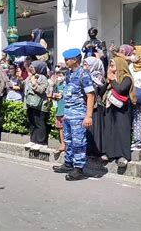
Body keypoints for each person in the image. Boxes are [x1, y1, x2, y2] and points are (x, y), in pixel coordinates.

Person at [53, 48, 95, 181]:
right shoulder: (69, 74)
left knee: (78, 142)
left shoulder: (84, 74)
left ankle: (79, 169)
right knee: (68, 140)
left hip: (78, 113)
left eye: (67, 60)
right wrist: (60, 96)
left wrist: (88, 116)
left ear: (75, 60)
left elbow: (91, 95)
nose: (65, 62)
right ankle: (68, 163)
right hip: (68, 112)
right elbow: (69, 92)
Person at [100, 57, 136, 167]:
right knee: (111, 130)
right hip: (111, 107)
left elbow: (121, 89)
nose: (110, 68)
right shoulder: (111, 78)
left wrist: (113, 80)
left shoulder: (126, 78)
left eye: (112, 65)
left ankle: (123, 156)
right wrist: (107, 82)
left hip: (123, 109)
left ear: (120, 66)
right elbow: (101, 92)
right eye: (110, 65)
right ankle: (111, 153)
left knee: (122, 130)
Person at [24, 60, 50, 150]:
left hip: (40, 105)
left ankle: (41, 142)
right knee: (32, 122)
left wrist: (34, 83)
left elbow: (42, 90)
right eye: (30, 67)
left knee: (39, 122)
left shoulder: (43, 78)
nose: (31, 68)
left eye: (33, 67)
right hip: (30, 104)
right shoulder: (30, 77)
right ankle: (33, 140)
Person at [83, 56, 106, 156]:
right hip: (87, 105)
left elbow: (96, 90)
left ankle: (96, 150)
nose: (84, 67)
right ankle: (88, 149)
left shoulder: (98, 77)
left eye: (86, 65)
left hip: (96, 106)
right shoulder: (85, 76)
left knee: (95, 128)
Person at [50, 68, 66, 154]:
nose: (58, 77)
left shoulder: (67, 85)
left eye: (60, 75)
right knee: (60, 127)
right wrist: (54, 96)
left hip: (66, 110)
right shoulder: (57, 85)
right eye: (58, 75)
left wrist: (62, 95)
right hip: (59, 108)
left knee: (66, 128)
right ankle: (62, 144)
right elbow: (54, 96)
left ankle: (67, 145)